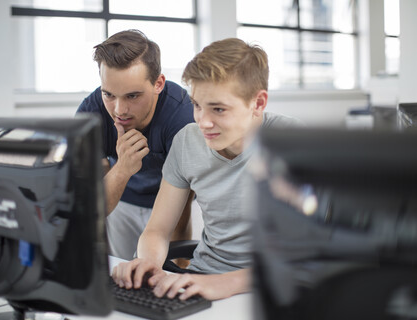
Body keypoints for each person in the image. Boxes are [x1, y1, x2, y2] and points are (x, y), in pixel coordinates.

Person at [111, 38, 302, 300]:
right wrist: (149, 263)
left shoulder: (294, 145)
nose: (203, 122)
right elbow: (157, 229)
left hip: (268, 288)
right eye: (197, 105)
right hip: (202, 279)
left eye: (219, 109)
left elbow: (313, 255)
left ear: (258, 103)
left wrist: (224, 284)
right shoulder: (187, 140)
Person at [76, 30, 195, 260]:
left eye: (132, 96)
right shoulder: (90, 114)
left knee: (168, 274)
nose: (119, 110)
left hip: (171, 202)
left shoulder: (182, 117)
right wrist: (122, 167)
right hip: (121, 199)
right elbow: (92, 208)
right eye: (109, 94)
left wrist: (176, 281)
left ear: (158, 83)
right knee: (122, 272)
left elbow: (180, 218)